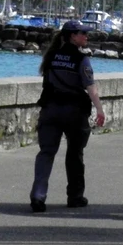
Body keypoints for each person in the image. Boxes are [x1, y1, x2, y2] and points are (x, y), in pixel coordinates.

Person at [30, 20, 107, 212]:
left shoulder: (50, 57)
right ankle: (75, 196)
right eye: (83, 33)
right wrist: (99, 109)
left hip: (50, 109)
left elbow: (47, 83)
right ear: (72, 36)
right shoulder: (81, 60)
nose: (86, 36)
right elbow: (90, 88)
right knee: (75, 153)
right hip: (74, 112)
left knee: (46, 153)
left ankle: (38, 195)